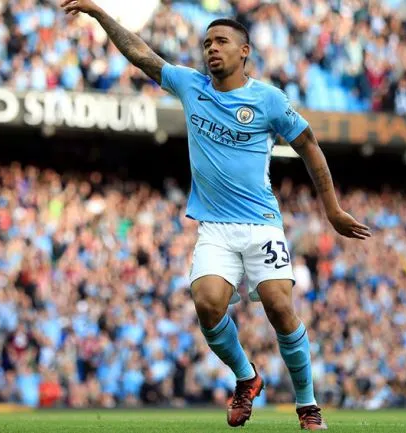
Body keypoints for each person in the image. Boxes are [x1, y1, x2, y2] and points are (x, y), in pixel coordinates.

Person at [60, 1, 372, 429]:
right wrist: (99, 14)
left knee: (280, 307)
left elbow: (310, 146)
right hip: (216, 228)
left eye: (221, 41)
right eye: (206, 43)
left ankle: (307, 405)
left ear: (244, 52)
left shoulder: (268, 99)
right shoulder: (191, 86)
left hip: (261, 222)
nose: (211, 49)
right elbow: (140, 53)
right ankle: (247, 378)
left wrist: (332, 209)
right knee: (207, 304)